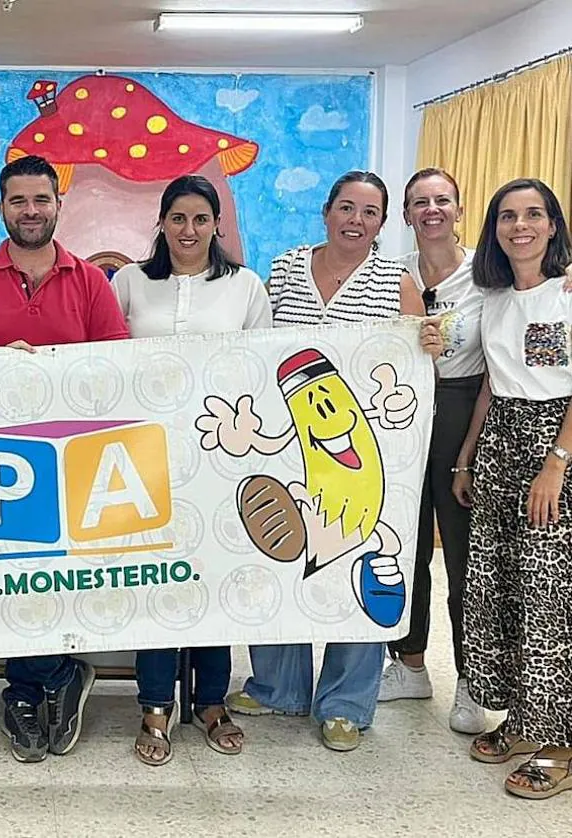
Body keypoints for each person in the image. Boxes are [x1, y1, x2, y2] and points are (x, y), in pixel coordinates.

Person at [224, 170, 438, 752]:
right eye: (346, 207)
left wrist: (431, 344)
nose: (356, 221)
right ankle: (277, 685)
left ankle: (345, 702)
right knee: (284, 557)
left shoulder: (396, 283)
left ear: (382, 223)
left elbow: (418, 361)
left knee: (357, 560)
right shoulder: (288, 267)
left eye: (370, 213)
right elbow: (258, 346)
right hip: (289, 436)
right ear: (326, 212)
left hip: (367, 447)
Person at [0, 154, 129, 763]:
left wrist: (54, 369)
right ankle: (50, 679)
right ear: (1, 208)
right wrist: (0, 369)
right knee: (12, 574)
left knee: (58, 574)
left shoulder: (91, 282)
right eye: (18, 201)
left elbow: (117, 370)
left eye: (41, 200)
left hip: (75, 461)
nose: (30, 211)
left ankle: (34, 685)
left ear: (57, 205)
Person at [112, 175, 269, 765]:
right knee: (156, 581)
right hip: (143, 454)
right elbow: (103, 358)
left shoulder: (245, 286)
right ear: (161, 222)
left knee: (211, 577)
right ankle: (155, 704)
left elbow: (259, 368)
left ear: (215, 225)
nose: (188, 230)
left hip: (221, 456)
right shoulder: (129, 281)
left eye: (200, 219)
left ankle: (210, 701)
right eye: (177, 218)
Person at [457, 178, 572, 800]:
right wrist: (467, 458)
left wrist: (555, 463)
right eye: (507, 216)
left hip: (556, 447)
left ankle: (561, 740)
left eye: (533, 215)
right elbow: (492, 383)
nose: (519, 226)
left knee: (551, 599)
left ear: (553, 225)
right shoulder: (494, 297)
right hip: (500, 442)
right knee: (502, 589)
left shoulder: (569, 291)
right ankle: (526, 718)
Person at [375, 168, 486, 734]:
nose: (431, 210)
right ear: (406, 216)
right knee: (405, 544)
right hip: (404, 416)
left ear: (459, 209)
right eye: (420, 202)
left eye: (442, 200)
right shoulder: (394, 276)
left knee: (464, 557)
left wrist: (466, 451)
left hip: (466, 412)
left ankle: (471, 681)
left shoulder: (486, 275)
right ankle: (410, 663)